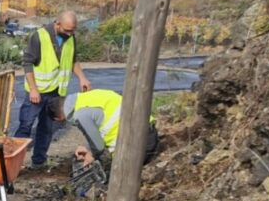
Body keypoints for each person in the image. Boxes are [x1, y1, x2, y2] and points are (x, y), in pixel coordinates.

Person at [15, 11, 92, 167]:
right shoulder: (39, 37)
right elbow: (27, 63)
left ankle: (39, 161)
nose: (71, 34)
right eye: (67, 30)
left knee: (46, 128)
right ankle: (13, 164)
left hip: (56, 93)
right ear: (57, 23)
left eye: (73, 30)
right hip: (37, 92)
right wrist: (33, 89)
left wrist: (82, 77)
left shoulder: (70, 38)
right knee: (25, 126)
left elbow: (73, 60)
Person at [54, 89, 160, 167]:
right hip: (147, 132)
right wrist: (88, 149)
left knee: (113, 179)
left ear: (59, 118)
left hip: (136, 144)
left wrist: (91, 155)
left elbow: (99, 147)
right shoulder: (87, 98)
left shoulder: (79, 115)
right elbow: (99, 131)